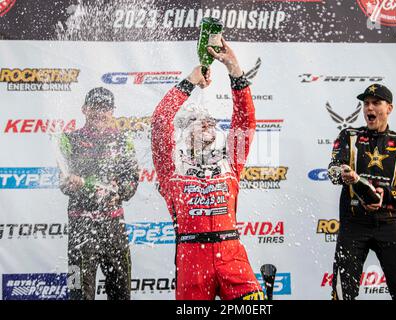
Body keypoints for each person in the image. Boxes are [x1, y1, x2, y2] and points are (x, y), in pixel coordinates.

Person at [151, 38, 264, 300]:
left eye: (210, 122)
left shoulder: (230, 160)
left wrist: (234, 67)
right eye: (198, 122)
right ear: (183, 133)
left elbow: (245, 119)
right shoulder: (172, 168)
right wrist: (189, 81)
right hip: (192, 260)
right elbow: (160, 122)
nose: (207, 125)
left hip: (232, 256)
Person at [327, 84, 396, 300]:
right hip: (353, 225)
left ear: (389, 108)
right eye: (366, 103)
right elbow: (332, 171)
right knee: (342, 295)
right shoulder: (348, 136)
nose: (369, 107)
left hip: (388, 222)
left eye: (376, 103)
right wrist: (343, 173)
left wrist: (386, 194)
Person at [59, 87, 139, 300]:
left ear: (112, 112)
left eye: (105, 108)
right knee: (77, 293)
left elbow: (132, 179)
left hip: (114, 227)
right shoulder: (68, 139)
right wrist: (70, 183)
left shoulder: (123, 142)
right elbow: (62, 181)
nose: (100, 113)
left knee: (121, 294)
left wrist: (119, 191)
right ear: (84, 109)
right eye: (95, 107)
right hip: (80, 228)